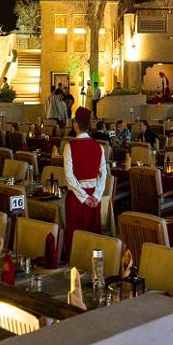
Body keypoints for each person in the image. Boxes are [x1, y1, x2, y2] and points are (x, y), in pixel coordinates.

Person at [62, 107, 107, 258]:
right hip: (94, 198)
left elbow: (69, 177)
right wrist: (97, 196)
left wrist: (84, 197)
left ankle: (75, 265)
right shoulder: (99, 147)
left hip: (77, 199)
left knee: (76, 237)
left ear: (75, 124)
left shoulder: (69, 147)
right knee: (92, 237)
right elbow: (103, 174)